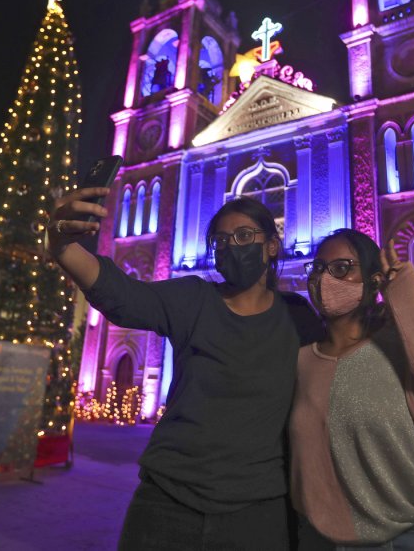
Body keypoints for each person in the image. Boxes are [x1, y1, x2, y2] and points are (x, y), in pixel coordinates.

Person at [46, 188, 322, 550]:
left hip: (257, 512)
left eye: (243, 236)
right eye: (221, 241)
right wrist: (61, 244)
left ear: (272, 245)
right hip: (167, 504)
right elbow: (124, 296)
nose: (231, 247)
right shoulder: (194, 299)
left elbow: (330, 384)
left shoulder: (295, 315)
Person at [290, 229, 414, 550]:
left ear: (373, 280)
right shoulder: (303, 362)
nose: (324, 278)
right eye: (317, 268)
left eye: (342, 268)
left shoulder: (403, 348)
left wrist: (408, 298)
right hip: (324, 540)